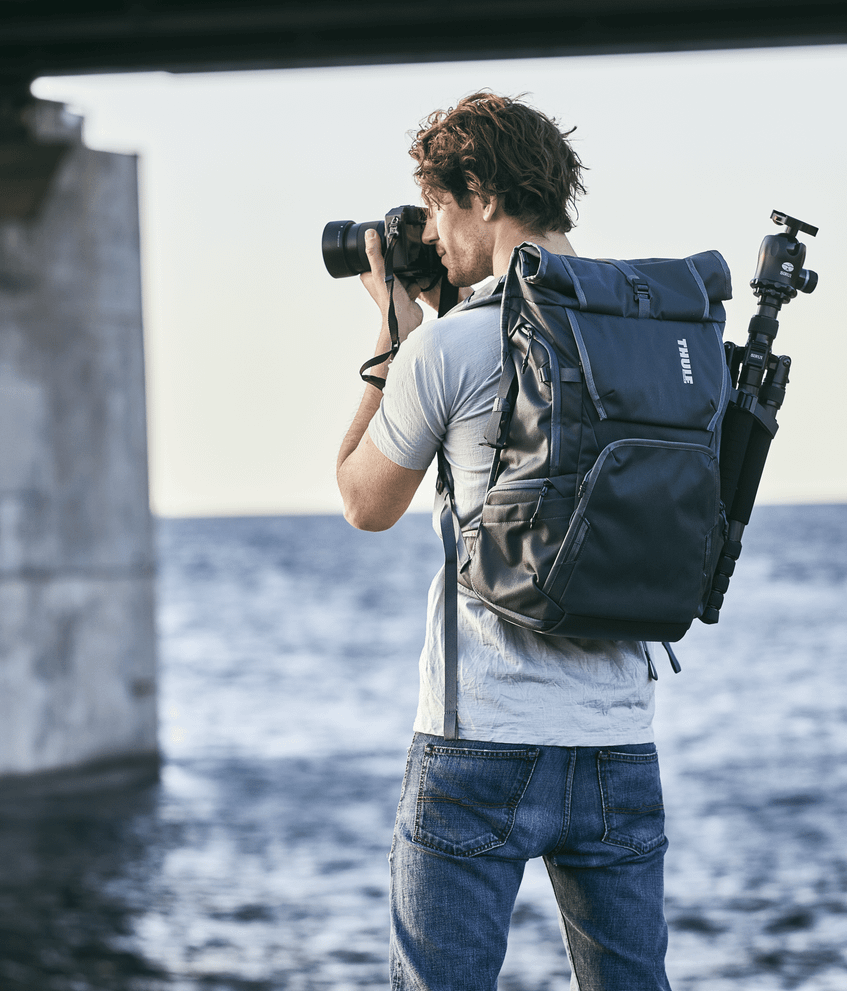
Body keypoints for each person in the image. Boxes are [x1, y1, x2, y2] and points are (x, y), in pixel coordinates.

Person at [337, 92, 671, 991]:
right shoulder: (652, 334)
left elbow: (363, 499)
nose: (434, 236)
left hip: (475, 740)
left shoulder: (448, 345)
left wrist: (392, 339)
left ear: (479, 193)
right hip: (617, 740)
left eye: (441, 208)